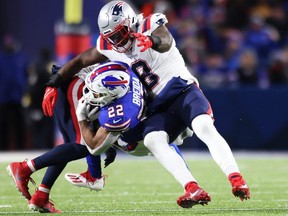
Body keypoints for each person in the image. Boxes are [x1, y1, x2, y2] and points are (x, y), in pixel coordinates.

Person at [41, 1, 250, 208]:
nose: (115, 40)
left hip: (182, 91)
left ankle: (236, 178)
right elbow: (80, 61)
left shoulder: (149, 24)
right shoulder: (108, 45)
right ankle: (192, 188)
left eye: (119, 32)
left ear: (130, 22)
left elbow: (165, 40)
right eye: (110, 36)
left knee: (204, 126)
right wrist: (54, 83)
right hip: (158, 108)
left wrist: (152, 42)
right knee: (153, 140)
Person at [7, 61, 192, 212]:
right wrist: (57, 83)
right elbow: (95, 146)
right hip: (77, 83)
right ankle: (25, 168)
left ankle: (41, 195)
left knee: (71, 146)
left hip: (80, 82)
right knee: (81, 145)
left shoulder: (130, 99)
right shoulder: (127, 104)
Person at [0, 34, 28, 150]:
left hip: (18, 97)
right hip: (3, 97)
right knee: (3, 125)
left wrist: (26, 93)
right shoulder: (1, 58)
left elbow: (26, 76)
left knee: (19, 124)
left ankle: (20, 148)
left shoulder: (21, 58)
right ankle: (3, 148)